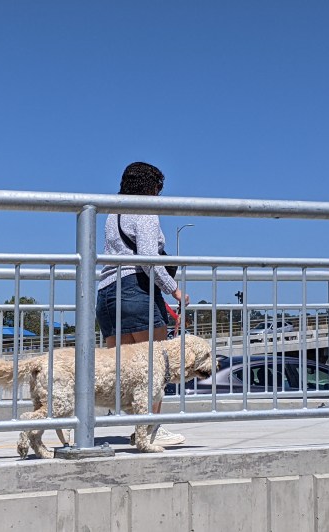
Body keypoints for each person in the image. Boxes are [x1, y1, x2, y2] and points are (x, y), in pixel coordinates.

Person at [96, 161, 190, 446]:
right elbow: (149, 260)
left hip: (107, 295)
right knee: (155, 367)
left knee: (126, 371)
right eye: (158, 189)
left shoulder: (113, 213)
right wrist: (173, 289)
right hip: (136, 290)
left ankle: (137, 429)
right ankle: (150, 431)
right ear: (149, 187)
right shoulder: (145, 211)